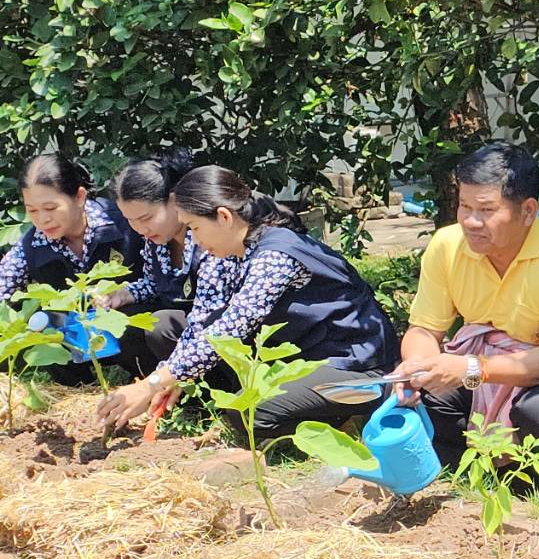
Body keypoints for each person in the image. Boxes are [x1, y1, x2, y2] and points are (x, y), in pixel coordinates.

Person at [95, 166, 400, 436]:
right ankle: (311, 403)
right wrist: (169, 374)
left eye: (195, 228)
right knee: (239, 398)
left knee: (248, 413)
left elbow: (229, 329)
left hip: (354, 365)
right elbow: (203, 322)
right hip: (304, 358)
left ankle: (350, 408)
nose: (195, 241)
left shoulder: (275, 255)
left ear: (224, 217)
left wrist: (150, 385)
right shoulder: (233, 250)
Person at [392, 142, 539, 468]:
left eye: (487, 210)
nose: (471, 222)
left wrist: (473, 369)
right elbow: (423, 328)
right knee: (418, 395)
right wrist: (421, 368)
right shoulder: (447, 246)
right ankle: (461, 472)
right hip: (479, 373)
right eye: (465, 207)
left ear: (528, 211)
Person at [3, 153, 149, 383]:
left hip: (127, 331)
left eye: (50, 208)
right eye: (32, 211)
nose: (42, 219)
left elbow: (160, 280)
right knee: (46, 325)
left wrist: (123, 294)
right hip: (75, 342)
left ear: (79, 196)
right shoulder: (31, 245)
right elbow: (3, 285)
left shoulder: (125, 222)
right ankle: (78, 388)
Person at [97, 149, 214, 364]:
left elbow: (210, 311)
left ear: (174, 199)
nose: (140, 228)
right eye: (131, 220)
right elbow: (154, 285)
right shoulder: (156, 239)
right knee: (124, 319)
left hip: (208, 331)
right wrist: (121, 295)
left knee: (161, 325)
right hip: (178, 331)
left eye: (147, 218)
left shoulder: (206, 236)